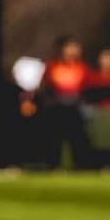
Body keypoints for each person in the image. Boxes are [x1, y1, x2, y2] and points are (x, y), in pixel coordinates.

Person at [36, 35, 96, 169]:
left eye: (75, 48)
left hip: (75, 109)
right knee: (54, 138)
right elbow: (45, 88)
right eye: (69, 48)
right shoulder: (52, 67)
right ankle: (52, 163)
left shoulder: (83, 69)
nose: (72, 51)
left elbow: (89, 89)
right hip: (56, 108)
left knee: (78, 138)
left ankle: (81, 164)